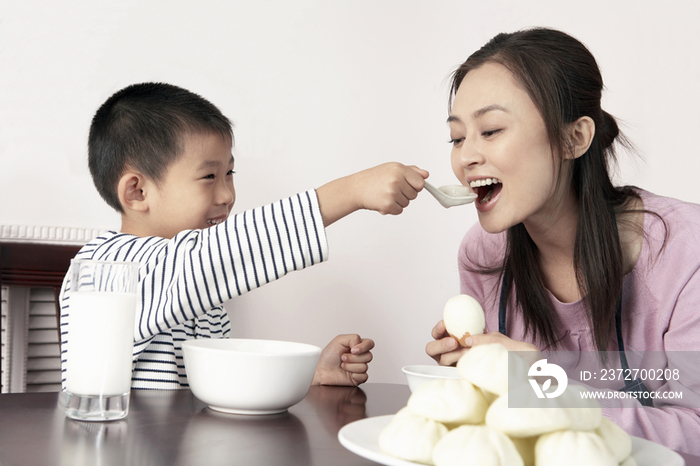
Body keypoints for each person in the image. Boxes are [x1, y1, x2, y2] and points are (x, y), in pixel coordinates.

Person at [425, 28, 700, 454]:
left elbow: (695, 432)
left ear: (574, 138)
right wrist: (475, 379)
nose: (465, 157)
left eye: (492, 130)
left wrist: (541, 382)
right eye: (457, 137)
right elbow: (508, 426)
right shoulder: (484, 255)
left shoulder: (685, 251)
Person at [60, 82, 429, 390]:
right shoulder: (105, 271)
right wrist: (349, 192)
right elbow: (211, 257)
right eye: (209, 177)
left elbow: (221, 381)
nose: (227, 195)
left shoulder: (200, 292)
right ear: (137, 192)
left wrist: (310, 376)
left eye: (230, 174)